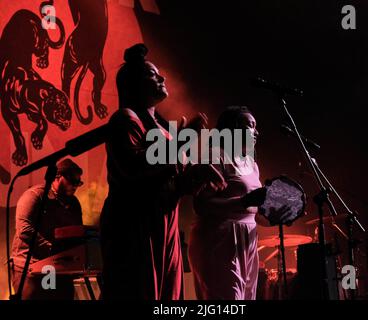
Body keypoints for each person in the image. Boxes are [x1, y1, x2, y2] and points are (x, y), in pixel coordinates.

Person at [100, 43, 225, 300]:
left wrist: (196, 176)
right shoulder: (125, 120)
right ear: (134, 85)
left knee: (168, 297)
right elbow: (133, 168)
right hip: (134, 226)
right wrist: (181, 142)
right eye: (151, 74)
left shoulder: (162, 129)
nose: (161, 77)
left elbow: (170, 184)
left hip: (164, 224)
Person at [188, 106, 286, 300]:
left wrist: (279, 215)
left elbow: (254, 213)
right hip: (220, 239)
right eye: (250, 125)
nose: (256, 132)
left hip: (247, 242)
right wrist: (244, 201)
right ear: (232, 129)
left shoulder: (252, 164)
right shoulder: (215, 156)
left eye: (256, 126)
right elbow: (201, 205)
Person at [11, 158, 84, 300]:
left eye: (78, 182)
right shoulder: (35, 196)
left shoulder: (74, 204)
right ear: (57, 177)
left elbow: (77, 232)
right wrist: (52, 249)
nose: (75, 186)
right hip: (30, 267)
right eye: (72, 180)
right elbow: (24, 229)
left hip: (58, 268)